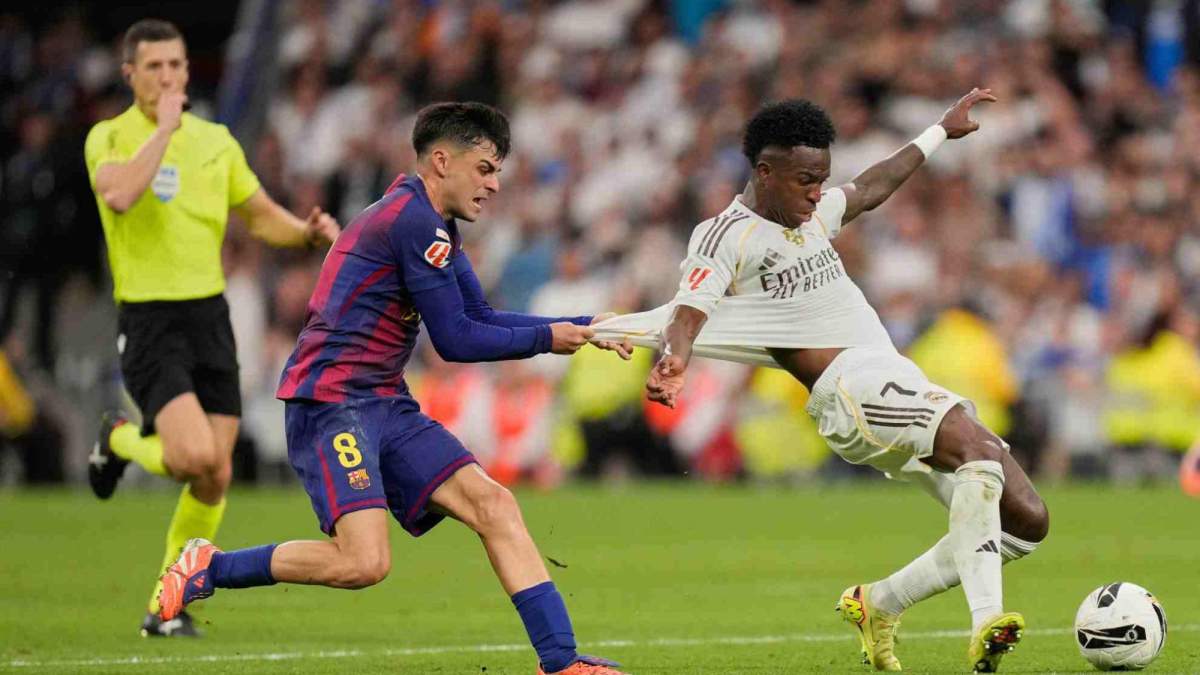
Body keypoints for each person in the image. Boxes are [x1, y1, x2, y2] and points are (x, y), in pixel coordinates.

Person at [157, 102, 632, 675]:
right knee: (363, 563)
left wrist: (582, 326)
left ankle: (560, 663)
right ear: (441, 160)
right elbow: (456, 340)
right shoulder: (412, 223)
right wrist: (551, 337)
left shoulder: (432, 223)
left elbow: (479, 313)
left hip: (383, 400)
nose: (495, 184)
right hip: (331, 402)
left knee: (493, 504)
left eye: (497, 170)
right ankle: (209, 567)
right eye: (484, 168)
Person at [643, 91, 1050, 672]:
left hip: (888, 376)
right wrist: (675, 358)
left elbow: (872, 187)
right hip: (848, 387)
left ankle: (879, 602)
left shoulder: (809, 218)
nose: (817, 192)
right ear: (765, 172)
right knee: (979, 452)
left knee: (1025, 522)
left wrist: (939, 131)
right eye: (806, 180)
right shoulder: (724, 235)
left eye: (822, 179)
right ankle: (987, 620)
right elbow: (689, 308)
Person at [82, 19, 340, 637]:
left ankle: (165, 608)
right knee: (192, 454)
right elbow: (119, 196)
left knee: (214, 471)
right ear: (130, 74)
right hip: (149, 319)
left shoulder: (216, 142)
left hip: (210, 319)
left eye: (176, 66)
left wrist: (304, 232)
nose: (168, 77)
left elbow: (257, 216)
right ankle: (118, 438)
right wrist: (165, 130)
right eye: (154, 68)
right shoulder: (110, 137)